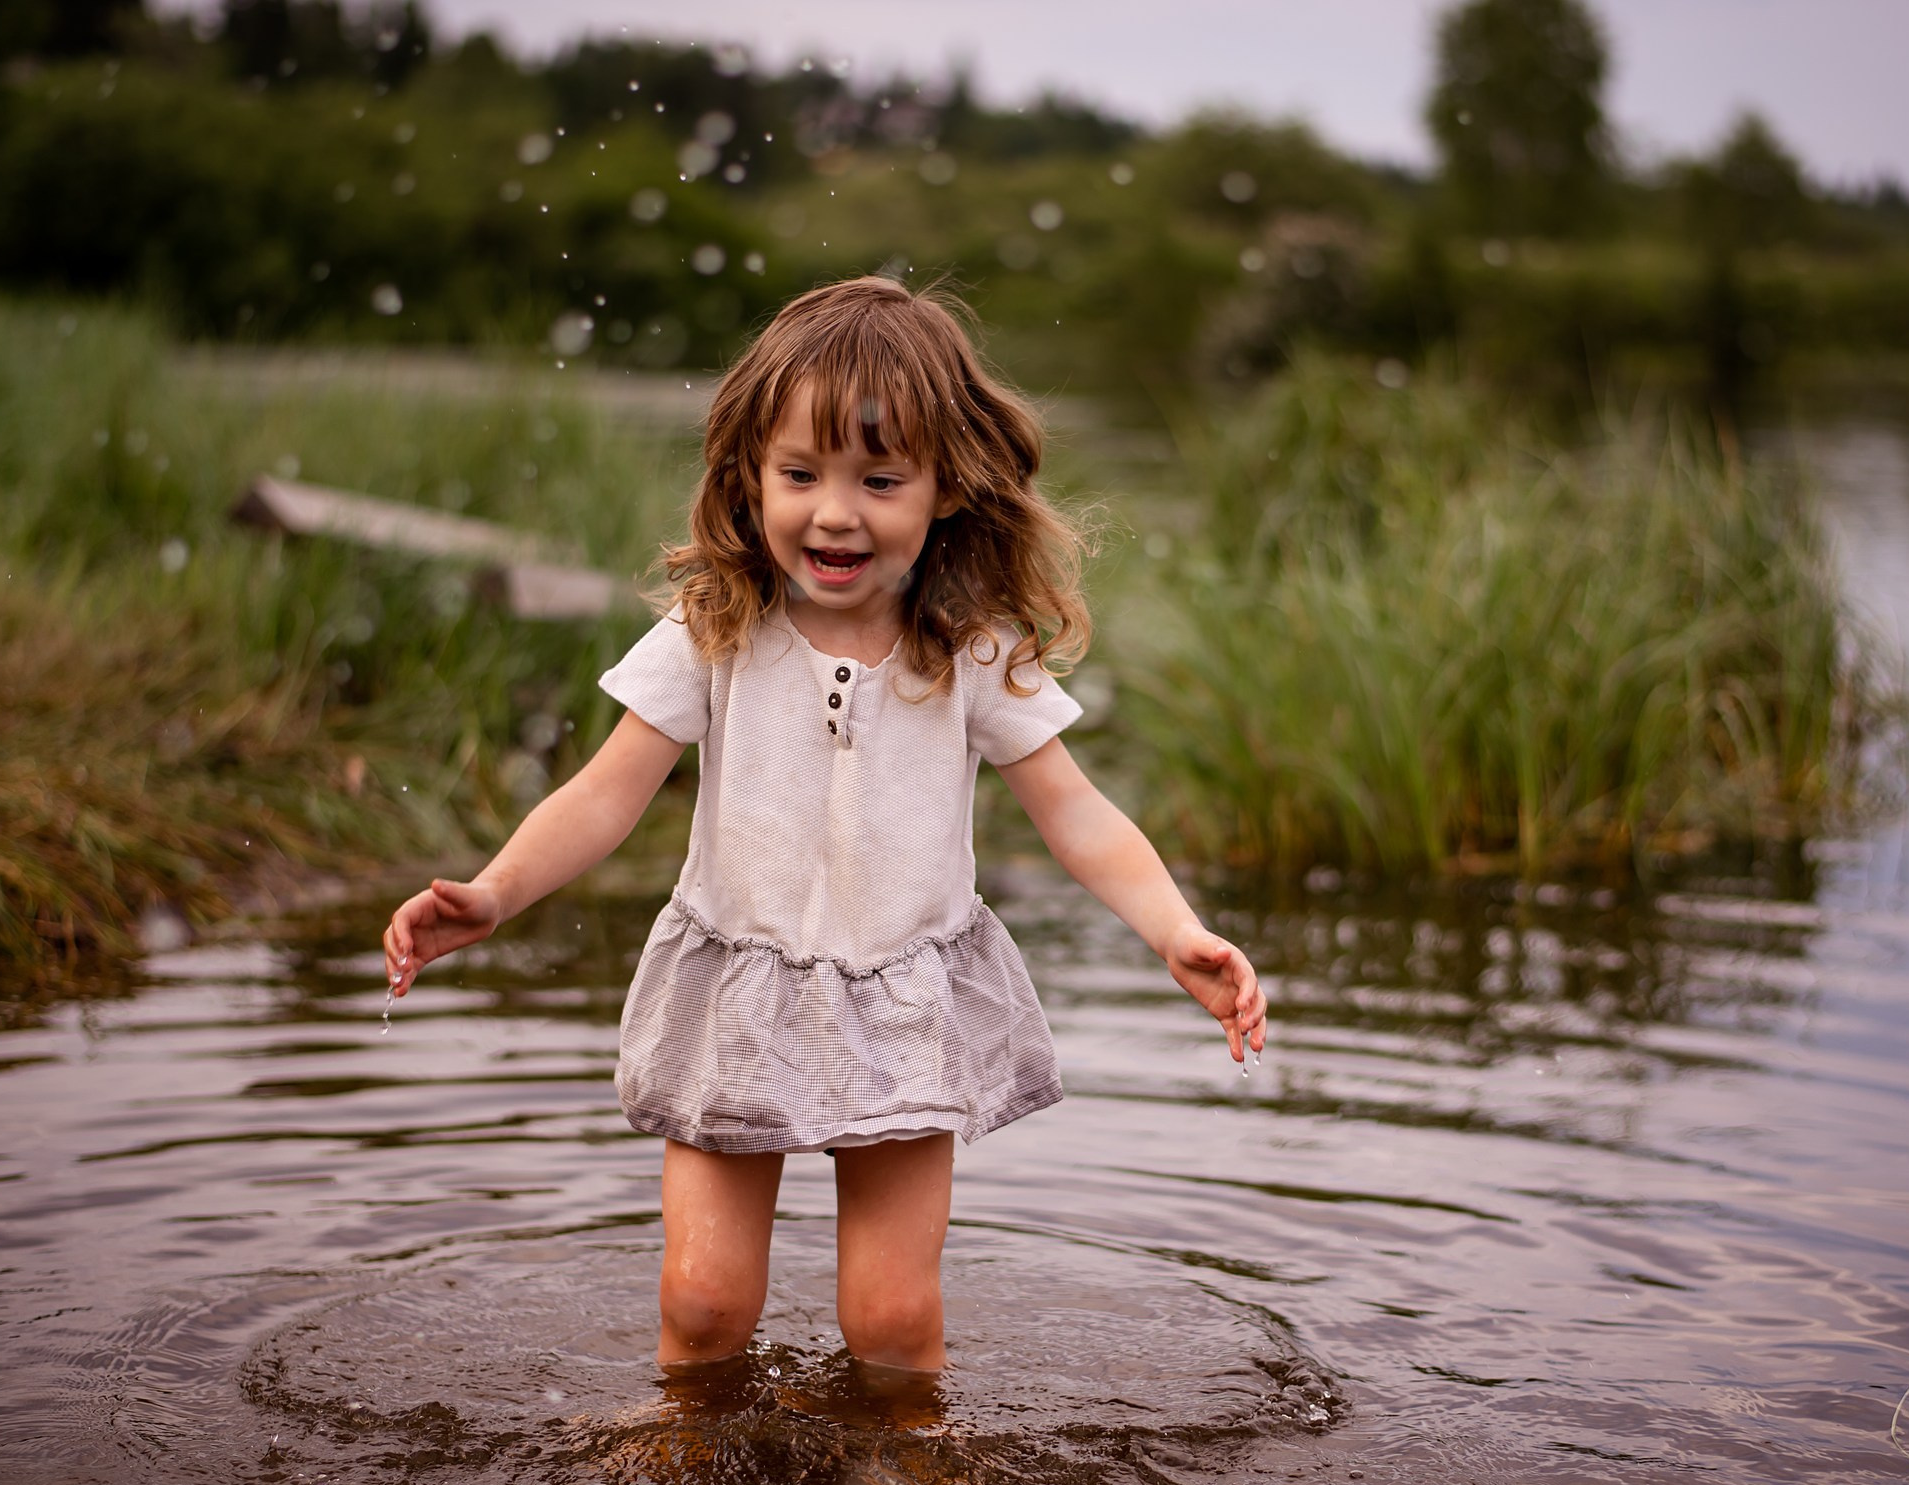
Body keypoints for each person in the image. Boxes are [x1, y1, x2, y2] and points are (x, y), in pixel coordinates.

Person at [381, 275, 1266, 1379]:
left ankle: (906, 1483)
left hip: (903, 1001)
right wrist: (496, 889)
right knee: (703, 1302)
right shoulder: (715, 629)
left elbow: (1074, 809)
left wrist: (1174, 930)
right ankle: (683, 1455)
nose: (834, 511)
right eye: (799, 474)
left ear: (947, 488)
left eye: (879, 479)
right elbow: (607, 791)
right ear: (748, 474)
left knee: (889, 1320)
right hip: (733, 991)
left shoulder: (971, 649)